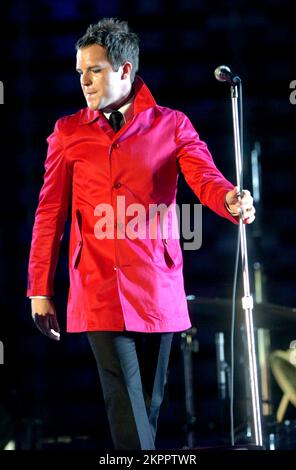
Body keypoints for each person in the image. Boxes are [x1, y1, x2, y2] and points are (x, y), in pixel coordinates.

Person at [27, 17, 255, 450]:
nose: (85, 82)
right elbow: (48, 213)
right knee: (125, 404)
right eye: (80, 73)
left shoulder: (171, 124)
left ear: (125, 70)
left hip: (156, 284)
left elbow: (205, 178)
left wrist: (229, 199)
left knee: (146, 405)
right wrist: (40, 288)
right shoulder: (67, 132)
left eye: (94, 70)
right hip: (97, 285)